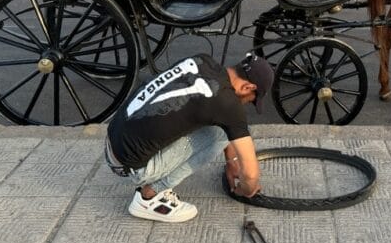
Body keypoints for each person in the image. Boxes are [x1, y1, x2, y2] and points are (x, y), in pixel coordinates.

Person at [103, 54, 274, 223]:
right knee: (221, 134)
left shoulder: (201, 60)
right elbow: (250, 175)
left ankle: (150, 178)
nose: (246, 104)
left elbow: (223, 119)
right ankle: (150, 196)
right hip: (130, 166)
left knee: (221, 124)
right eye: (251, 100)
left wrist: (232, 161)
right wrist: (245, 190)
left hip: (114, 140)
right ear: (247, 87)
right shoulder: (227, 104)